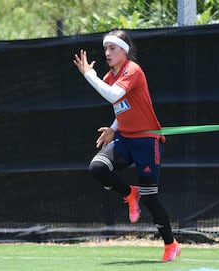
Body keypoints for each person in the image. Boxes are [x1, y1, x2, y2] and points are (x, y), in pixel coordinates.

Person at [73, 29, 181, 262]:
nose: (108, 53)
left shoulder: (133, 70)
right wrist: (114, 127)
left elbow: (114, 96)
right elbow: (121, 106)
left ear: (125, 50)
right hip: (125, 139)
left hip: (146, 142)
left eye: (112, 48)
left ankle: (171, 244)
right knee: (97, 168)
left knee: (151, 198)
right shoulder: (111, 76)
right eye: (105, 49)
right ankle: (130, 193)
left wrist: (89, 75)